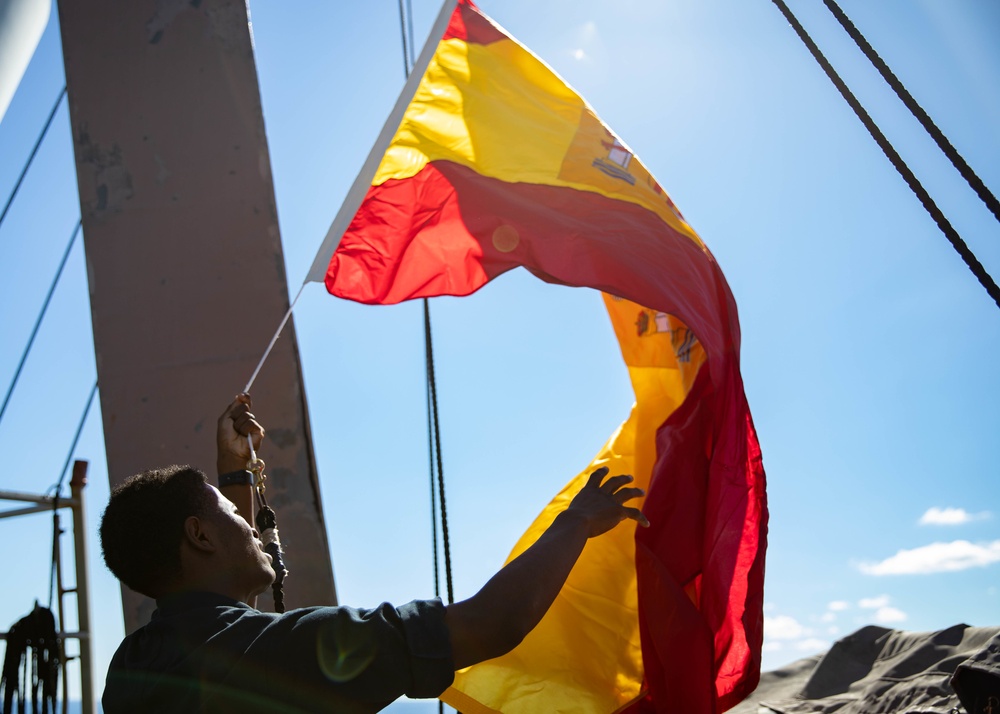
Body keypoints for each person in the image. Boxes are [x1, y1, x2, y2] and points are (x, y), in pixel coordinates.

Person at [99, 394, 650, 713]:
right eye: (237, 517)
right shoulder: (289, 651)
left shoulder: (131, 668)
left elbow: (226, 606)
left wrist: (235, 477)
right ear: (199, 537)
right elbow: (492, 623)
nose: (252, 525)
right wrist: (575, 523)